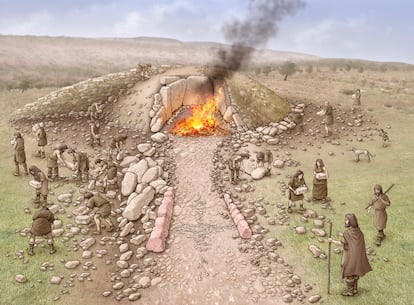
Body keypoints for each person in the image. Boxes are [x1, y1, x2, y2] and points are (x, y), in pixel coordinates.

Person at [328, 214, 372, 296]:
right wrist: (342, 235)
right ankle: (355, 289)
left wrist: (332, 240)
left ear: (351, 221)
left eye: (347, 220)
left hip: (350, 256)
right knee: (355, 271)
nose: (345, 221)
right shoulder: (359, 232)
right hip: (358, 257)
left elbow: (341, 243)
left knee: (349, 272)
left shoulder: (348, 233)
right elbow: (353, 241)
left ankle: (350, 291)